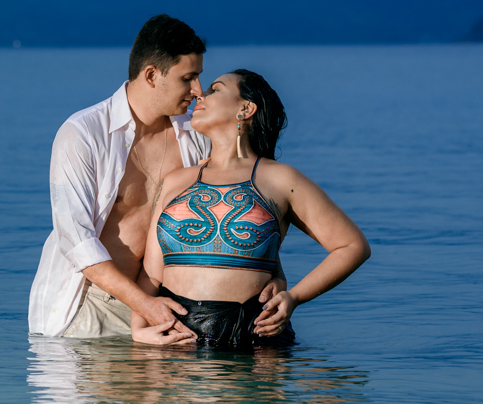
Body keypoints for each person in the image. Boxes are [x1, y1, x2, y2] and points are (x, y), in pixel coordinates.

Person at [28, 15, 286, 338]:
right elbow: (76, 240)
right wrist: (144, 305)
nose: (198, 91)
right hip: (92, 306)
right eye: (188, 78)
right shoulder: (83, 135)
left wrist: (276, 274)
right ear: (151, 75)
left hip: (170, 306)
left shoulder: (196, 135)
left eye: (199, 77)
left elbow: (244, 205)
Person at [131, 69, 371, 348]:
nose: (199, 95)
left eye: (215, 89)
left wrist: (294, 297)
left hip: (255, 342)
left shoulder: (282, 180)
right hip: (178, 341)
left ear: (246, 108)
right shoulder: (175, 182)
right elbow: (151, 274)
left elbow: (352, 246)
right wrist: (139, 329)